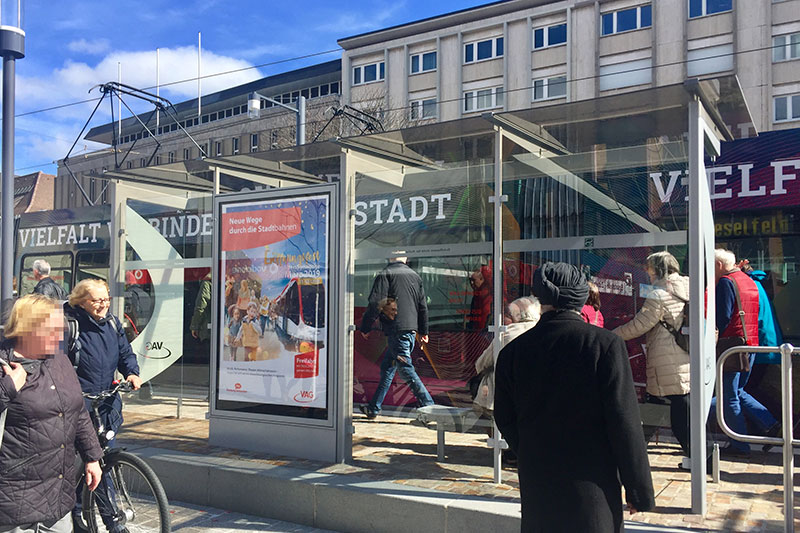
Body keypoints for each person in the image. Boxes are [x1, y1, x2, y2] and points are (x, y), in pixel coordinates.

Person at [495, 262, 655, 532]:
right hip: (593, 481)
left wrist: (531, 450)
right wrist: (638, 490)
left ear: (540, 297)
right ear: (580, 297)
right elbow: (624, 421)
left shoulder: (513, 351)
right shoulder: (604, 345)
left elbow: (504, 416)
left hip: (539, 480)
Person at [0, 294, 103, 533]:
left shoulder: (59, 360)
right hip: (14, 501)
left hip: (57, 498)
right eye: (52, 330)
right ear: (27, 329)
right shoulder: (4, 364)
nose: (59, 337)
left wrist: (92, 457)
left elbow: (76, 409)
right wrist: (8, 387)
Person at [64, 279, 142, 533]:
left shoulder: (112, 323)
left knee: (100, 460)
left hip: (107, 404)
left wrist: (132, 373)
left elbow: (125, 353)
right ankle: (111, 522)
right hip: (79, 405)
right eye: (97, 300)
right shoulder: (70, 325)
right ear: (81, 301)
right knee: (91, 462)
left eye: (106, 299)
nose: (103, 305)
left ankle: (79, 513)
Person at [613, 251, 691, 457]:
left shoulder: (658, 294)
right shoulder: (690, 287)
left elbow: (639, 325)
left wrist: (611, 336)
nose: (646, 272)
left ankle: (704, 456)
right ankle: (635, 451)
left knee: (667, 410)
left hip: (666, 359)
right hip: (686, 355)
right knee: (667, 407)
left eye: (648, 268)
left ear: (657, 269)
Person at [713, 249, 778, 455]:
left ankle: (740, 445)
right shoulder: (748, 281)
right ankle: (770, 423)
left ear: (719, 265)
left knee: (728, 396)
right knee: (738, 391)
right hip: (749, 344)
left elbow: (722, 317)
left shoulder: (726, 282)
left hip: (731, 346)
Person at [358, 256, 434, 419]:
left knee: (406, 369)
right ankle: (373, 408)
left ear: (391, 257)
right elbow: (422, 307)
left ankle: (429, 407)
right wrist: (423, 331)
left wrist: (365, 326)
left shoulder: (387, 273)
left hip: (397, 332)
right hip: (408, 332)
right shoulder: (415, 276)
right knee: (388, 369)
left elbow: (375, 302)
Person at [473, 297, 540, 418]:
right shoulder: (545, 331)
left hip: (503, 397)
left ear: (516, 315)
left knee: (489, 376)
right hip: (536, 395)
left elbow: (481, 364)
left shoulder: (506, 333)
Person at [467, 265, 492, 330]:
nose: (471, 283)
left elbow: (485, 316)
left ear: (482, 280)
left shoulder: (487, 296)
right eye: (470, 280)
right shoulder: (476, 296)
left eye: (473, 280)